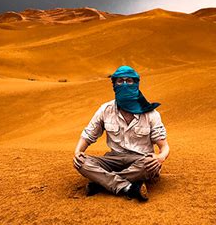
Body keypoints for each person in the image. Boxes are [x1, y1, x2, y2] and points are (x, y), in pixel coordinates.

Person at [73, 65, 170, 201]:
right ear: (114, 85)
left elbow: (164, 147)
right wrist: (78, 152)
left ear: (136, 84)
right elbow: (88, 134)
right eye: (120, 81)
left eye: (129, 81)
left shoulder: (150, 114)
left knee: (150, 164)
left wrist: (161, 157)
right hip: (114, 158)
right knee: (81, 162)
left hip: (140, 160)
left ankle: (101, 183)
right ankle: (128, 187)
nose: (125, 84)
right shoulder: (105, 110)